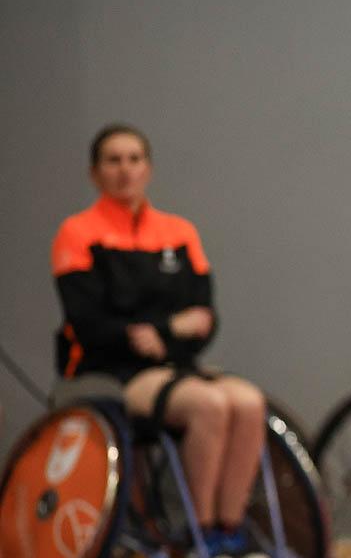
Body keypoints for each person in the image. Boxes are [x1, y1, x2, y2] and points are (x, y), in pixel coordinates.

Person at [52, 123, 267, 556]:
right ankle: (198, 532)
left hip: (172, 362)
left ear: (148, 168)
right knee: (209, 405)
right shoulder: (77, 233)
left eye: (134, 159)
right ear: (95, 173)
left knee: (248, 402)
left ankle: (231, 527)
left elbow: (204, 317)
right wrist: (163, 329)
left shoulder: (179, 232)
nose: (125, 170)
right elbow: (90, 322)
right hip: (108, 369)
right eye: (113, 160)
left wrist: (163, 336)